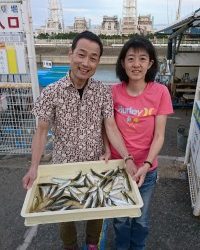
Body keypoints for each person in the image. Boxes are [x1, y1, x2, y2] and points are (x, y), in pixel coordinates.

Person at [22, 31, 135, 250]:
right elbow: (41, 131)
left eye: (93, 58)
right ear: (70, 54)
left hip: (96, 163)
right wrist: (33, 167)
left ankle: (92, 244)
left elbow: (109, 126)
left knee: (98, 205)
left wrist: (125, 156)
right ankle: (70, 246)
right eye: (81, 55)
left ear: (98, 62)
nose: (86, 62)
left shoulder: (103, 91)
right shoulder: (52, 92)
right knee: (66, 212)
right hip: (63, 164)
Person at [109, 36, 174, 250]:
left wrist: (146, 165)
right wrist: (125, 158)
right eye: (130, 58)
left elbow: (159, 136)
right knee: (120, 217)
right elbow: (109, 129)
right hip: (119, 167)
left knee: (140, 217)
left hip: (147, 169)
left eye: (142, 58)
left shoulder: (160, 92)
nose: (136, 64)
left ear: (150, 63)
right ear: (122, 63)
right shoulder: (113, 92)